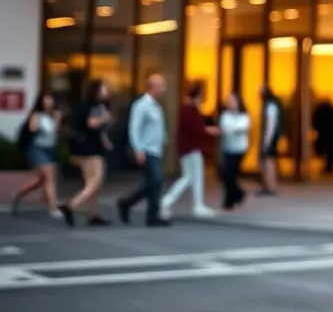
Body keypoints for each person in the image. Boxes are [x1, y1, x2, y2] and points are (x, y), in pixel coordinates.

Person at [116, 74, 170, 227]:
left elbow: (157, 126)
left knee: (153, 183)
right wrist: (138, 149)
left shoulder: (157, 106)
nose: (164, 89)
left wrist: (163, 138)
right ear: (153, 87)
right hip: (147, 149)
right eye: (161, 85)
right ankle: (126, 203)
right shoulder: (141, 105)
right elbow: (135, 128)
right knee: (156, 180)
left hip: (156, 149)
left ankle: (152, 216)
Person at [160, 82, 218, 220]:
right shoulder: (191, 110)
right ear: (198, 95)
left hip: (188, 148)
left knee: (193, 178)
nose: (204, 95)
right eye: (202, 93)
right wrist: (210, 130)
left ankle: (198, 205)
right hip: (191, 148)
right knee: (190, 177)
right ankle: (168, 201)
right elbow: (196, 130)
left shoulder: (188, 109)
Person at [60, 79, 114, 227]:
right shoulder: (94, 106)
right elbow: (92, 123)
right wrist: (104, 118)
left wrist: (105, 140)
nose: (106, 91)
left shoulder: (84, 105)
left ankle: (93, 214)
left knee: (90, 182)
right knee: (96, 180)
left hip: (82, 147)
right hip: (91, 148)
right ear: (97, 91)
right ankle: (70, 205)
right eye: (104, 88)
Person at [10, 92, 62, 218]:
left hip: (49, 149)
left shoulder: (52, 116)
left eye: (51, 99)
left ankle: (17, 194)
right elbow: (32, 129)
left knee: (40, 180)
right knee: (50, 177)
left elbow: (55, 133)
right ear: (41, 101)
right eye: (47, 99)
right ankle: (53, 208)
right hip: (38, 149)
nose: (50, 102)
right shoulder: (37, 115)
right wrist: (39, 124)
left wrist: (57, 120)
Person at [218, 93, 251, 211]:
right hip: (227, 148)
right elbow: (224, 129)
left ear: (238, 103)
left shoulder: (244, 116)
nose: (230, 103)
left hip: (239, 149)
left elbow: (242, 128)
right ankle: (237, 196)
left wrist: (230, 129)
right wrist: (230, 129)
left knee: (230, 174)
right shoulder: (225, 115)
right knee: (226, 175)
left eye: (232, 101)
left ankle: (230, 200)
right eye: (229, 101)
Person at [258, 86, 282, 196]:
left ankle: (270, 186)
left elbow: (270, 125)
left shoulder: (270, 105)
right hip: (270, 137)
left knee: (268, 162)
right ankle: (267, 185)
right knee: (266, 161)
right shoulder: (270, 104)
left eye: (260, 92)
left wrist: (266, 141)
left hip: (270, 138)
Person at [312, 95, 333, 176]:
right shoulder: (332, 110)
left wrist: (316, 128)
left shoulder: (320, 110)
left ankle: (326, 164)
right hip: (331, 133)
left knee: (321, 147)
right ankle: (329, 166)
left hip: (322, 132)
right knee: (330, 150)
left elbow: (315, 119)